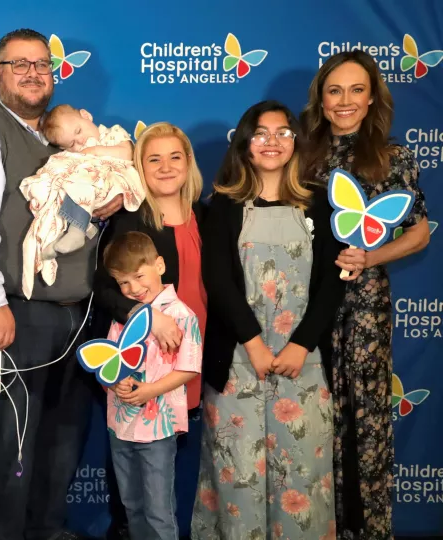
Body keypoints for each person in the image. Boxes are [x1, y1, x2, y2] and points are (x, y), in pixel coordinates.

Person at [0, 28, 125, 540]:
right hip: (11, 312)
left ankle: (48, 529)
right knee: (9, 443)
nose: (32, 73)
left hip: (76, 312)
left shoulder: (72, 141)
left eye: (41, 64)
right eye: (19, 64)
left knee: (63, 439)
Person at [191, 101, 343, 539]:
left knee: (303, 478)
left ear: (296, 142)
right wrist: (254, 344)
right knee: (236, 475)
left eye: (282, 132)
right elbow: (217, 281)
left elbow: (332, 284)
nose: (272, 141)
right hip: (239, 360)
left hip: (305, 363)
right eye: (261, 133)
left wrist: (301, 344)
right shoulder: (221, 204)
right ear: (245, 143)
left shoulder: (321, 205)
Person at [301, 51, 430, 540]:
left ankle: (368, 529)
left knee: (366, 422)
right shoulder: (301, 155)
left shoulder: (392, 158)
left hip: (365, 310)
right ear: (322, 98)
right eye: (335, 91)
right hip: (307, 305)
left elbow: (419, 232)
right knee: (314, 418)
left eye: (356, 90)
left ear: (372, 96)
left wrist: (371, 259)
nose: (345, 101)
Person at [91, 122, 206, 539]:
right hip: (143, 362)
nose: (165, 166)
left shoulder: (204, 215)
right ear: (139, 165)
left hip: (187, 358)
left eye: (175, 156)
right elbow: (105, 286)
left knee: (166, 476)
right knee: (135, 487)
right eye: (153, 158)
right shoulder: (129, 218)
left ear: (188, 162)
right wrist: (147, 315)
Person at [100, 231, 202, 540]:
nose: (133, 288)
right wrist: (115, 382)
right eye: (123, 283)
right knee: (132, 505)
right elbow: (107, 361)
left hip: (158, 428)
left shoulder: (181, 315)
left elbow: (189, 368)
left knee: (158, 508)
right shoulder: (123, 316)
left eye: (139, 276)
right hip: (120, 425)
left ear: (159, 265)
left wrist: (149, 391)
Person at [20, 104, 144, 298]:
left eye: (79, 131)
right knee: (64, 187)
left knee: (81, 181)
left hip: (116, 180)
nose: (81, 141)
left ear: (86, 116)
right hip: (90, 189)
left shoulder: (114, 133)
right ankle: (49, 244)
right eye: (72, 144)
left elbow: (128, 154)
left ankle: (77, 231)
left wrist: (94, 151)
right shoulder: (77, 154)